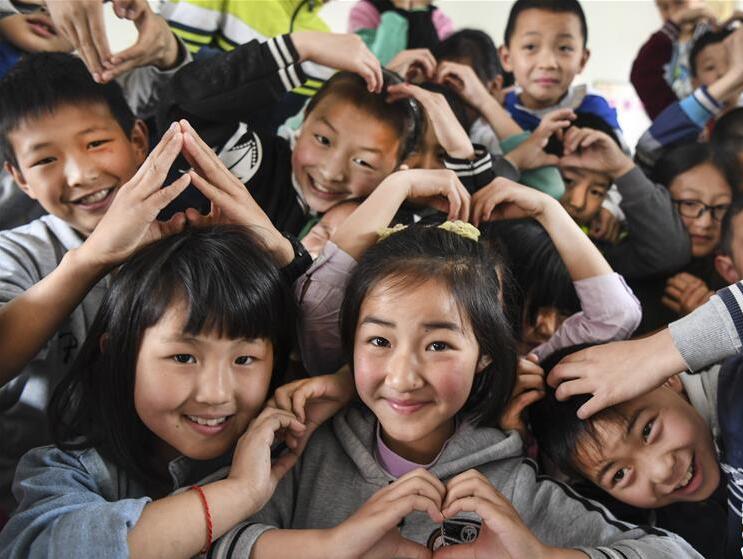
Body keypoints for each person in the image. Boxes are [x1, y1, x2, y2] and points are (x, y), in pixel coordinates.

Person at [212, 218, 701, 558]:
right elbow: (196, 538)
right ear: (350, 343)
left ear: (486, 352)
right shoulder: (301, 447)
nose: (403, 377)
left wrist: (539, 555)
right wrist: (332, 547)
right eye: (379, 341)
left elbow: (675, 553)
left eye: (439, 345)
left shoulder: (509, 488)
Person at [0, 224, 313, 558]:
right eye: (184, 358)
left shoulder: (295, 453)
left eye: (244, 359)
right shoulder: (65, 472)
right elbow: (39, 549)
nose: (215, 394)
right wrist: (240, 492)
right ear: (119, 355)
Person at [162, 32, 493, 233]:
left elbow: (468, 229)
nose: (332, 172)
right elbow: (185, 109)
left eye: (364, 162)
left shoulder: (389, 220)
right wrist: (299, 47)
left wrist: (462, 152)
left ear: (398, 169)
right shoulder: (259, 163)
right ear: (304, 119)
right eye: (322, 140)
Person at [530, 346, 726, 558]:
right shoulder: (656, 529)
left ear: (667, 379)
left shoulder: (733, 396)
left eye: (648, 430)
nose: (661, 472)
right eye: (619, 474)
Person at [499, 0, 624, 147]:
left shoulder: (596, 110)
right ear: (507, 58)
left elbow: (621, 159)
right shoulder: (497, 113)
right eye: (530, 46)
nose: (548, 63)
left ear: (582, 60)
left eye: (564, 48)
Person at [630, 0, 715, 120]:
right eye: (663, 7)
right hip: (681, 124)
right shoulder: (660, 48)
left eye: (679, 3)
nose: (672, 13)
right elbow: (641, 74)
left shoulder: (717, 39)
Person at [348, 0, 454, 65]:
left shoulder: (440, 19)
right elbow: (378, 66)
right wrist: (399, 10)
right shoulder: (365, 10)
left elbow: (437, 69)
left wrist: (419, 10)